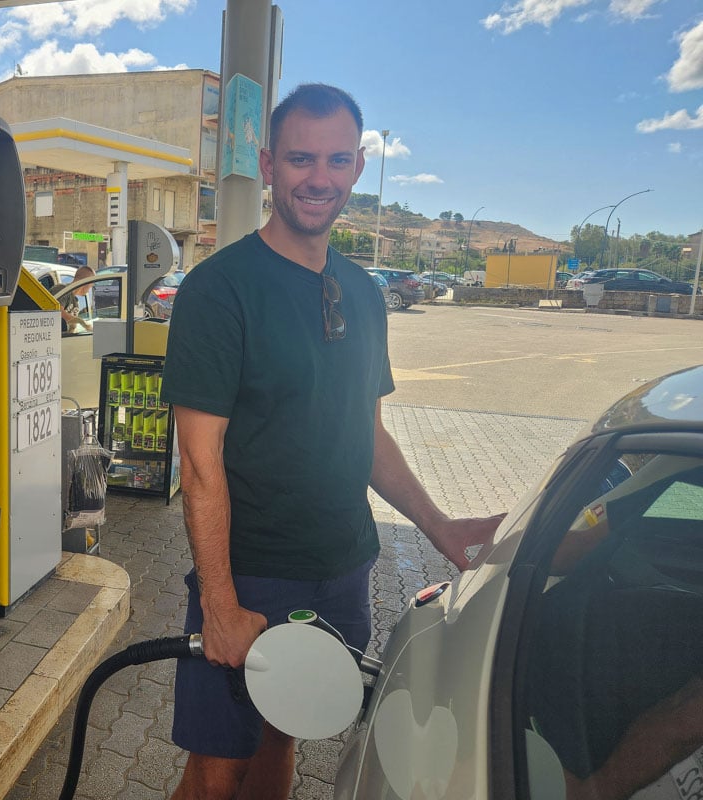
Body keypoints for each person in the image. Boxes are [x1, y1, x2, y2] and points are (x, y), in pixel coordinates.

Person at [160, 83, 503, 800]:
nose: (320, 178)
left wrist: (439, 525)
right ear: (269, 163)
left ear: (356, 166)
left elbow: (365, 433)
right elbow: (199, 465)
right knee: (220, 767)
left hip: (342, 568)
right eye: (301, 159)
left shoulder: (363, 290)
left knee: (285, 730)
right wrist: (221, 604)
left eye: (338, 160)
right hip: (251, 573)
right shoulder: (221, 289)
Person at [61, 266, 95, 332]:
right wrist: (81, 322)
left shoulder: (76, 302)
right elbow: (58, 312)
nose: (89, 290)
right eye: (90, 285)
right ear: (85, 282)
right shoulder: (62, 290)